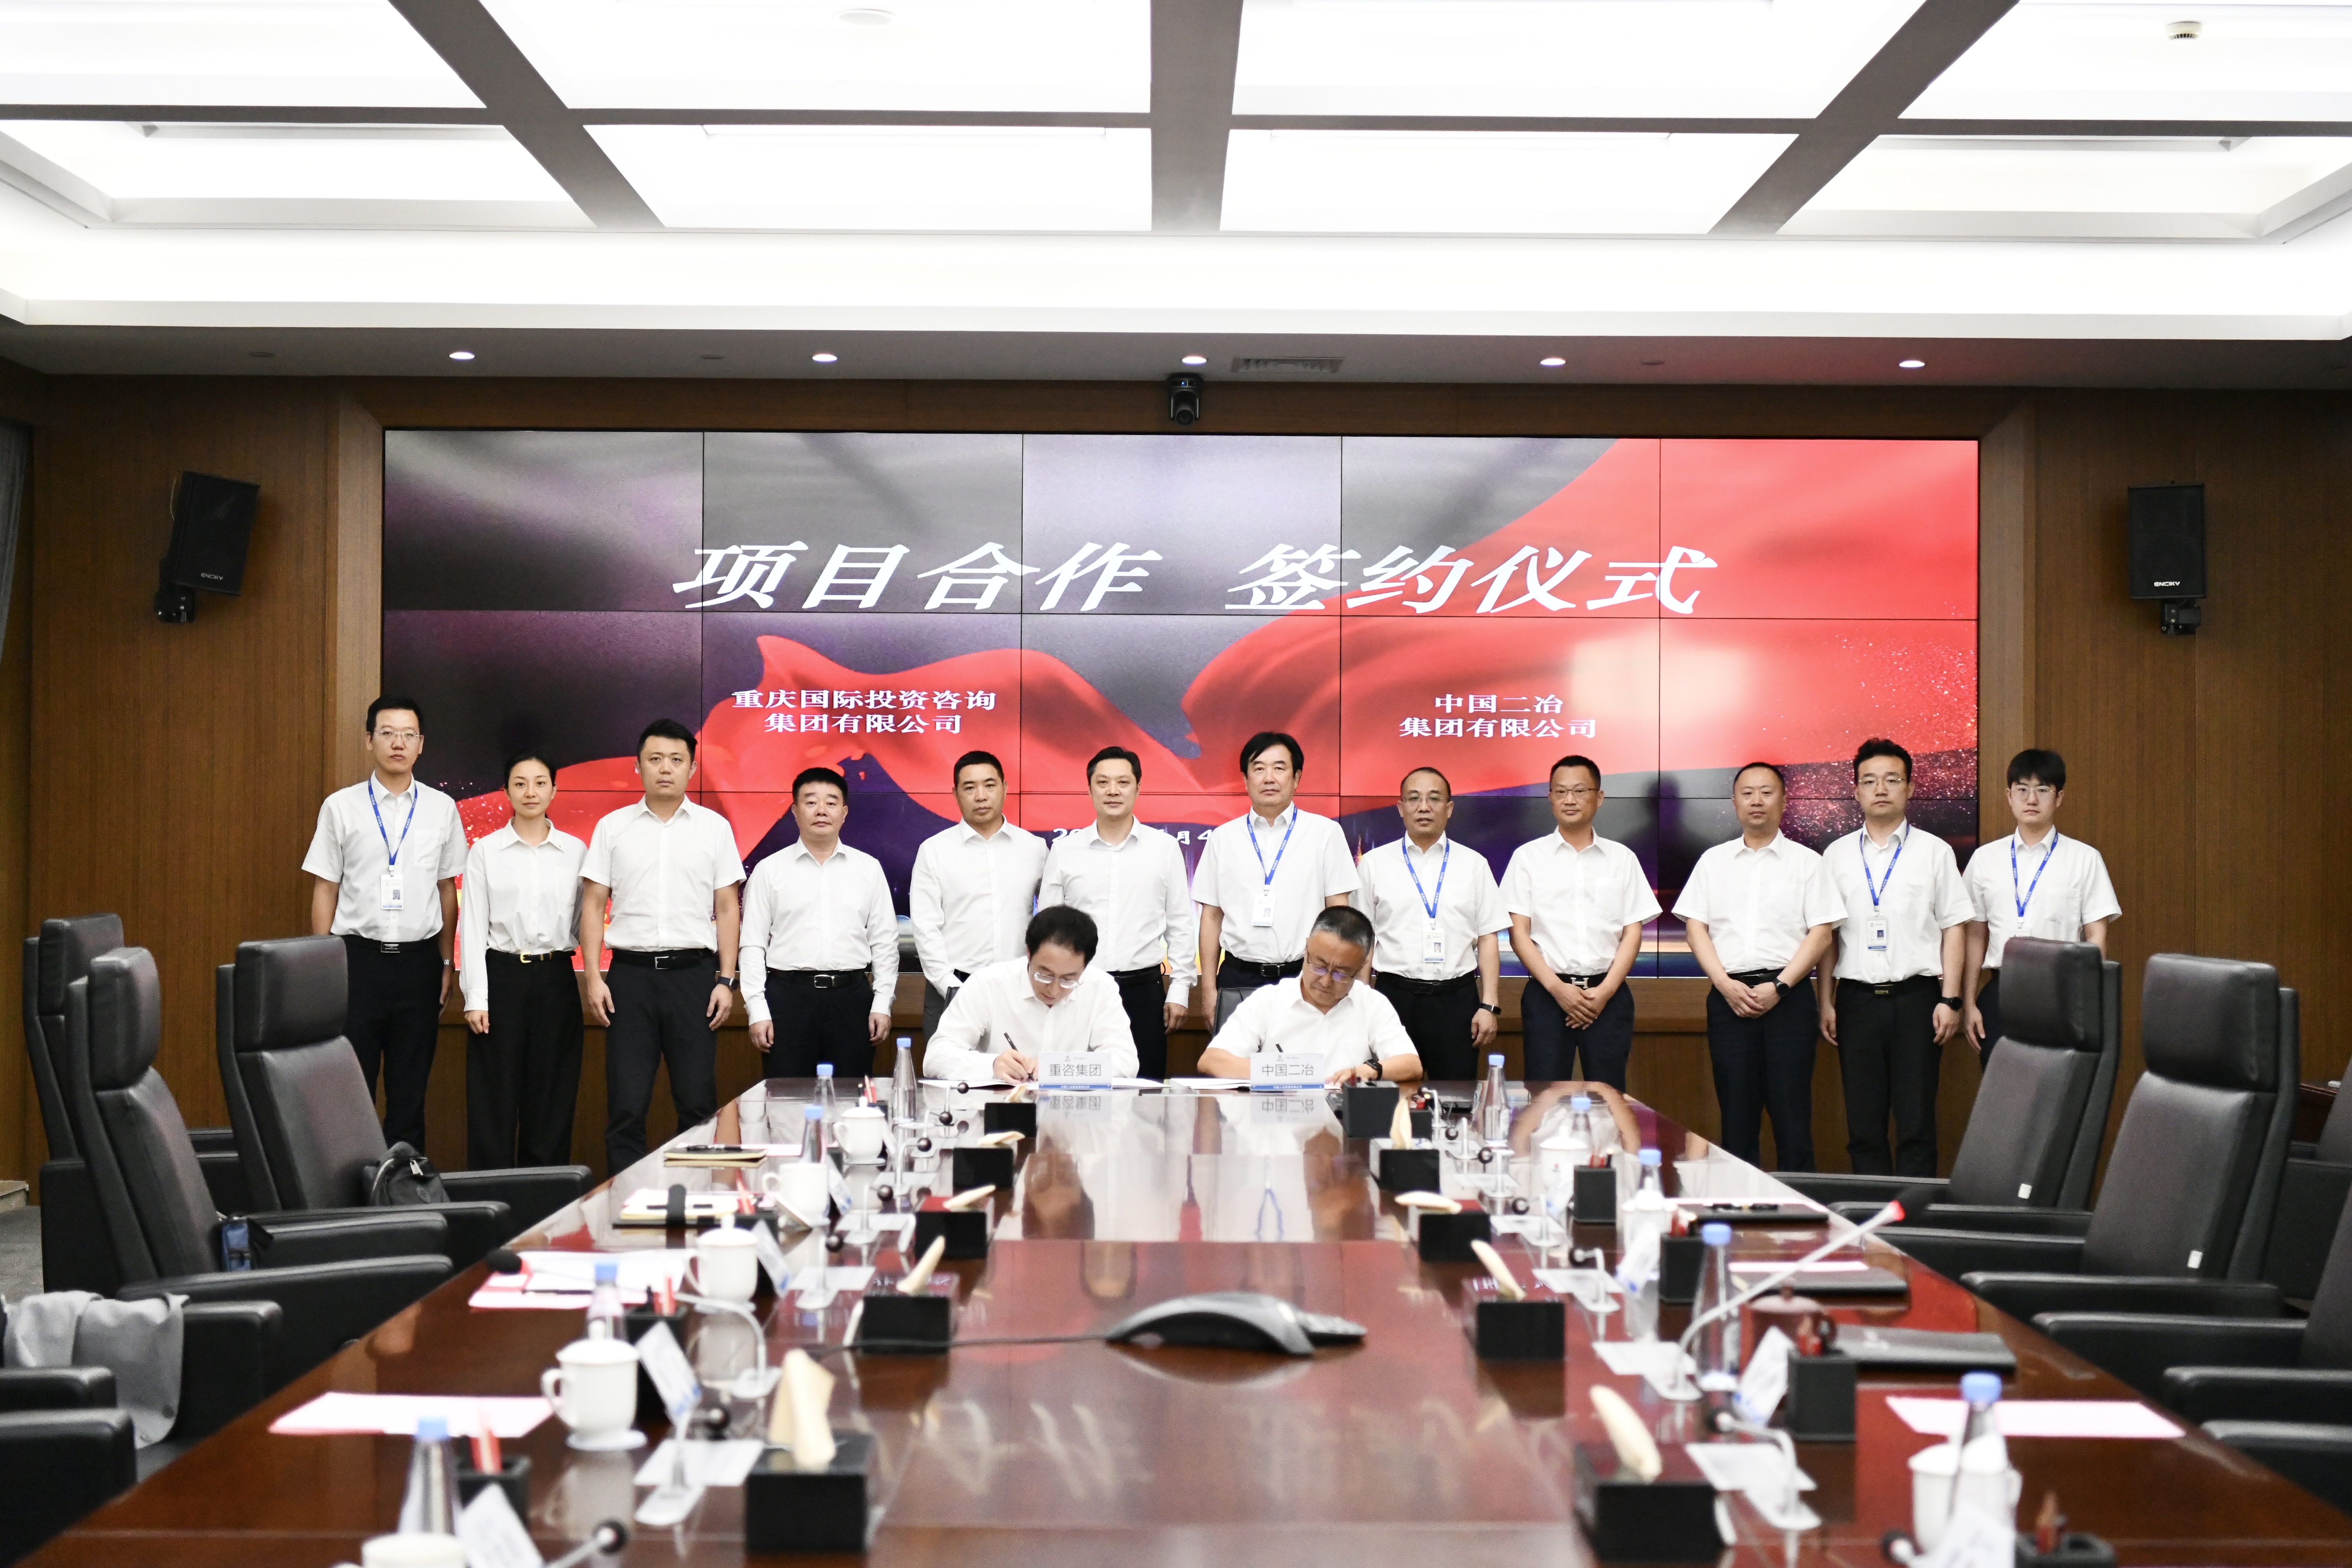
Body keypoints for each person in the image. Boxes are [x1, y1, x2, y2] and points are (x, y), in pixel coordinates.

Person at [579, 719, 745, 1175]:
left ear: (692, 768)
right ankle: (625, 1200)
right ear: (638, 767)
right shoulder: (613, 827)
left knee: (697, 1103)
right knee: (626, 1105)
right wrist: (593, 976)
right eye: (655, 759)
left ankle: (695, 1199)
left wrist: (726, 979)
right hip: (629, 979)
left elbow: (727, 907)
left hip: (694, 978)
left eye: (676, 760)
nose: (665, 768)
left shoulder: (714, 828)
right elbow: (593, 904)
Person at [302, 695, 468, 1151]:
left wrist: (446, 962)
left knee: (409, 1096)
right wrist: (324, 965)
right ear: (369, 740)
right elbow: (326, 889)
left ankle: (403, 1185)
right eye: (388, 733)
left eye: (408, 735)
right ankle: (350, 1188)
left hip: (419, 964)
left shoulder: (441, 808)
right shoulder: (341, 807)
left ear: (421, 744)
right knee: (350, 1091)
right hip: (357, 961)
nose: (399, 743)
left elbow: (447, 889)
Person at [1673, 762, 1844, 1171]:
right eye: (1747, 792)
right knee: (1736, 1119)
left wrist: (1780, 986)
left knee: (1792, 1119)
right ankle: (1739, 1208)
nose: (1756, 800)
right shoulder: (1713, 861)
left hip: (1789, 1001)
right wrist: (1724, 984)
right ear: (1734, 802)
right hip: (1728, 999)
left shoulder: (1807, 863)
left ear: (1784, 801)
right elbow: (1695, 928)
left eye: (1766, 792)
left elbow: (1821, 934)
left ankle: (1799, 1209)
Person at [1816, 737, 1973, 1177]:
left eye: (1891, 780)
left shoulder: (1935, 851)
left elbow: (1954, 927)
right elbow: (1827, 936)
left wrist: (1950, 999)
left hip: (1918, 1001)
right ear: (1856, 791)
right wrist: (1825, 1000)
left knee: (1917, 1125)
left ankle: (1912, 1218)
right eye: (1869, 781)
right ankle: (1872, 1218)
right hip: (1856, 1002)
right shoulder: (1835, 855)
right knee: (1863, 1126)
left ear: (1909, 787)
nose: (1880, 789)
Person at [457, 749, 586, 1169]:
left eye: (540, 782)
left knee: (551, 1099)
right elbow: (472, 926)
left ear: (554, 789)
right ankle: (491, 1198)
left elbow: (586, 920)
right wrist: (476, 997)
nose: (530, 791)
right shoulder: (486, 851)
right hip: (502, 977)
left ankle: (545, 1202)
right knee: (493, 1101)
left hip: (555, 978)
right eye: (520, 783)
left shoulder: (576, 851)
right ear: (507, 790)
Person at [1038, 746, 1196, 1080]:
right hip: (1078, 989)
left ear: (1138, 788)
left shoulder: (1164, 848)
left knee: (1145, 1092)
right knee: (1073, 1089)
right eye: (1103, 782)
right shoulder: (1065, 850)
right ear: (1090, 788)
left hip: (1144, 992)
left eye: (1123, 782)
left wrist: (1180, 988)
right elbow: (1047, 929)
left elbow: (1181, 923)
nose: (1113, 790)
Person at [1502, 755, 1660, 1088]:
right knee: (1543, 1096)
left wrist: (1605, 992)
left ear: (1598, 797)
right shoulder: (1527, 858)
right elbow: (1518, 934)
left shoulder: (1622, 858)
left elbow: (1633, 932)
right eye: (1560, 791)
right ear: (1550, 798)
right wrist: (1557, 989)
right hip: (1547, 995)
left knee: (1609, 1095)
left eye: (1579, 790)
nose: (1569, 799)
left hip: (1608, 996)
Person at [1963, 748, 2120, 1068]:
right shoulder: (1984, 859)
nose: (2031, 799)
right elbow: (1975, 935)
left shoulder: (2084, 859)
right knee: (2002, 1087)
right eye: (2022, 789)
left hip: (2062, 993)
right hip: (2001, 992)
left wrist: (2087, 1005)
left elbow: (2096, 937)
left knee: (2057, 1085)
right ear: (2009, 796)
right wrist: (1968, 1002)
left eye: (2043, 790)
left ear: (2059, 797)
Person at [1193, 731, 1360, 1030]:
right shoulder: (1223, 838)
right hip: (1237, 977)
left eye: (1279, 768)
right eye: (1259, 769)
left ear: (1296, 778)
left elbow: (1339, 914)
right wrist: (1208, 989)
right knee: (1236, 1060)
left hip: (1306, 978)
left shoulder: (1324, 833)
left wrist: (1340, 984)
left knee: (1303, 1059)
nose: (1269, 778)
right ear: (1245, 779)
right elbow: (1211, 917)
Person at [740, 766, 899, 1079]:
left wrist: (882, 1003)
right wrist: (757, 1010)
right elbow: (753, 945)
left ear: (844, 812)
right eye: (811, 802)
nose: (821, 810)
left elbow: (885, 942)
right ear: (795, 811)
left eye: (831, 802)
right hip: (788, 999)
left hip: (852, 999)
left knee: (852, 1098)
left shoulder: (868, 869)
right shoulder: (769, 870)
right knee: (786, 1099)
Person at [1356, 766, 1506, 1081]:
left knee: (1456, 1097)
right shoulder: (1374, 864)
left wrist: (1489, 1005)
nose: (1423, 807)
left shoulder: (1474, 864)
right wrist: (1361, 1001)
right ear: (1401, 807)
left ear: (1449, 808)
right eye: (1414, 798)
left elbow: (1488, 937)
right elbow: (1363, 940)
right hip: (1394, 997)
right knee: (1390, 1096)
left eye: (1434, 798)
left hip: (1456, 1001)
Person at [1198, 906, 1423, 1086]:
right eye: (1319, 966)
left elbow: (1412, 1064)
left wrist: (1369, 1070)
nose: (1326, 981)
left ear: (1362, 966)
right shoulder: (1268, 1001)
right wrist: (1286, 1072)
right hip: (1278, 1123)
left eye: (1341, 973)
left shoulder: (1372, 1004)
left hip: (1345, 1124)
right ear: (1306, 949)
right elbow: (1212, 1061)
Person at [910, 750, 1046, 1042]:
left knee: (1019, 1070)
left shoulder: (1034, 848)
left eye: (990, 785)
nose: (981, 796)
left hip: (1019, 988)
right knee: (948, 1071)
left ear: (1005, 788)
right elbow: (925, 926)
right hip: (953, 988)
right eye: (970, 788)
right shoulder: (934, 851)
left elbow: (1050, 919)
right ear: (956, 794)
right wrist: (950, 986)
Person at [921, 906, 1139, 1085]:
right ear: (1028, 953)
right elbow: (936, 1058)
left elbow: (1126, 1062)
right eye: (1045, 975)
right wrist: (992, 1065)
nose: (1054, 990)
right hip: (1000, 1113)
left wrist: (1058, 1067)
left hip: (1075, 1117)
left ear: (1085, 966)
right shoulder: (989, 983)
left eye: (1069, 980)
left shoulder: (1101, 988)